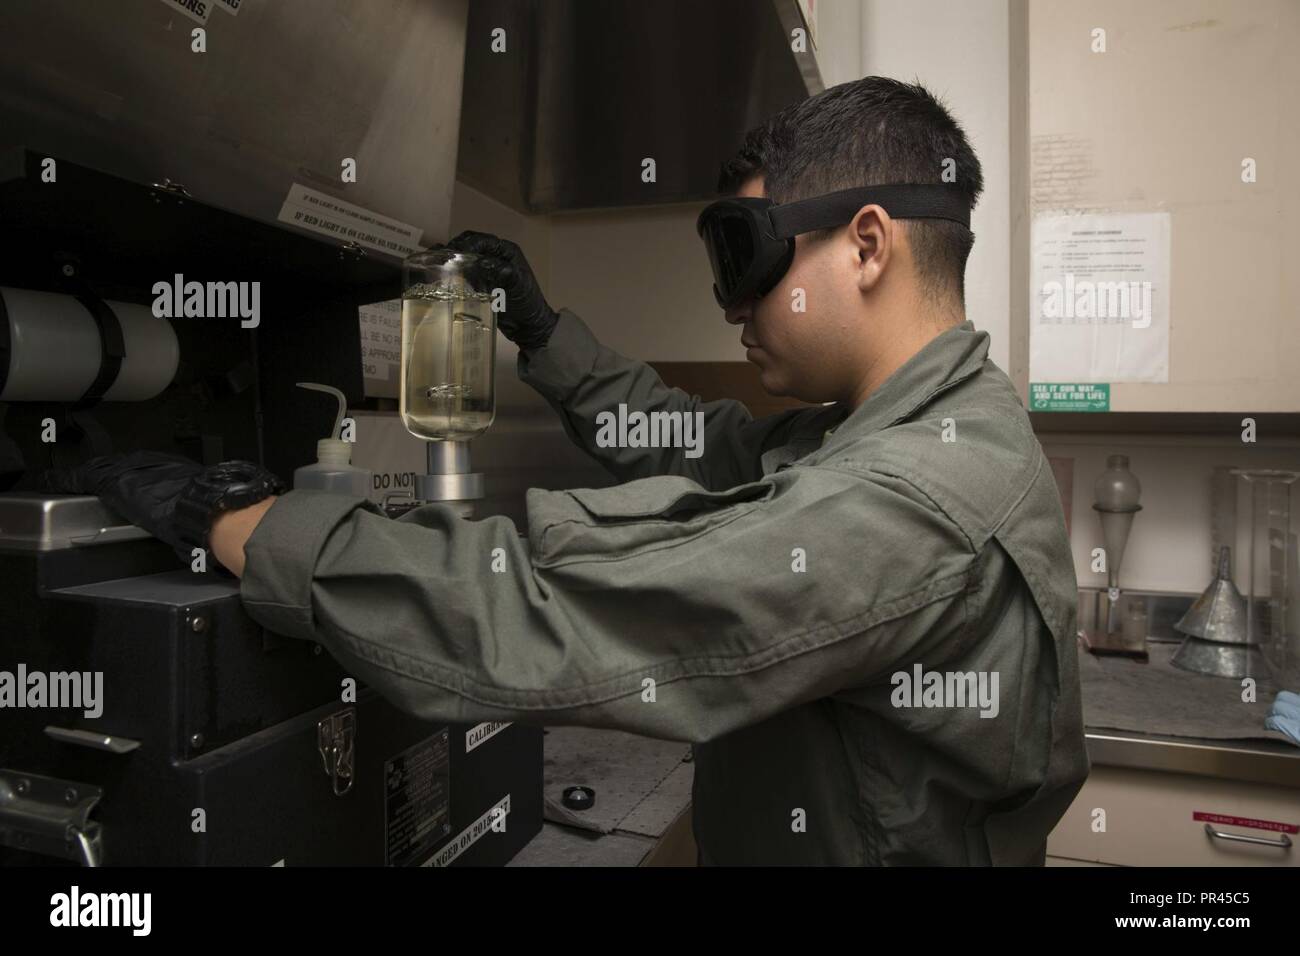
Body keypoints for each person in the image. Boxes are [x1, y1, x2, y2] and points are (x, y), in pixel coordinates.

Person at [56, 77, 1089, 865]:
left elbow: (561, 614)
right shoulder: (889, 433)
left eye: (746, 258)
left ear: (865, 245)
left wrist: (254, 526)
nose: (731, 306)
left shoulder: (908, 504)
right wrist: (543, 334)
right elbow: (689, 441)